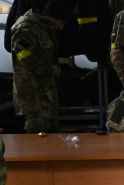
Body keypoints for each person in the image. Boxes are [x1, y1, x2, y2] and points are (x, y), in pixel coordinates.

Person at [10, 0, 69, 133]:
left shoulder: (43, 26)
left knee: (48, 136)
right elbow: (24, 58)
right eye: (60, 22)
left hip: (44, 94)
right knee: (36, 134)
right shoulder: (26, 27)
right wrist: (49, 69)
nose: (61, 26)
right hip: (33, 95)